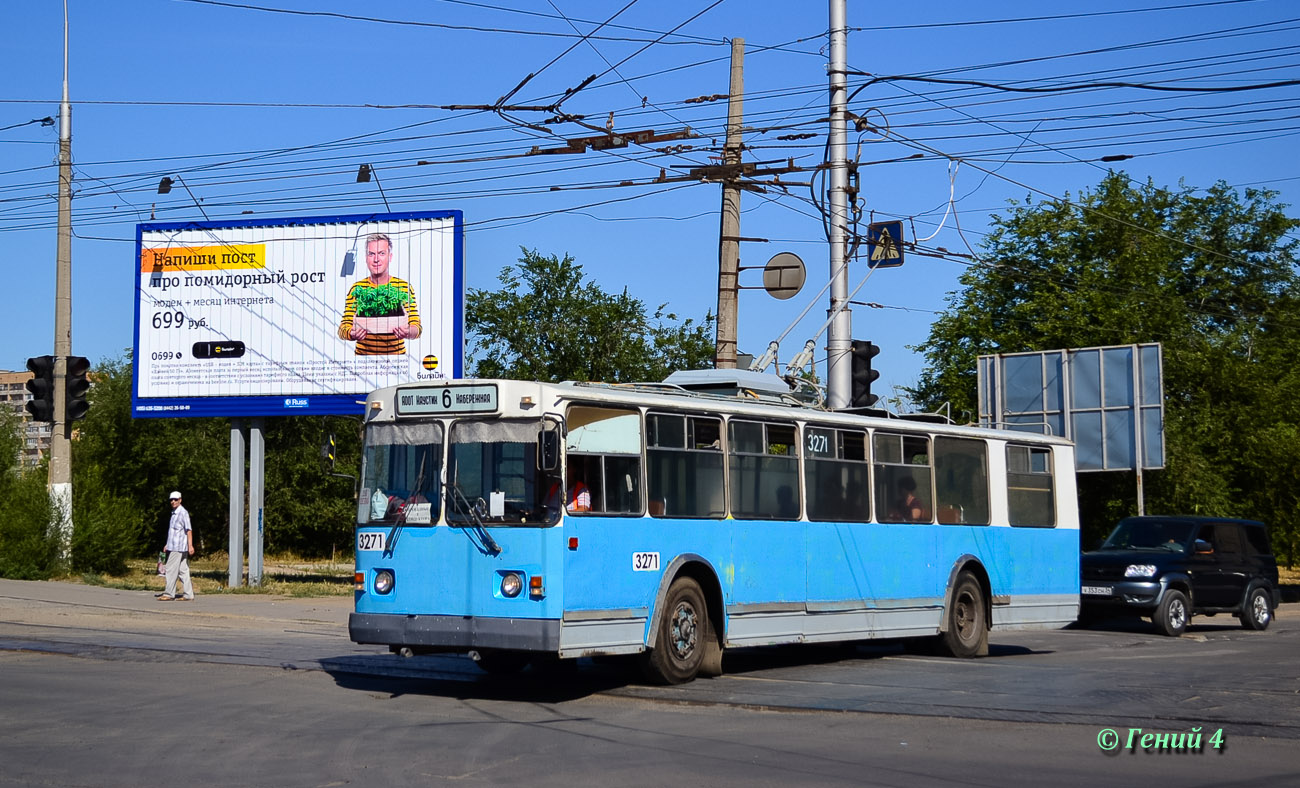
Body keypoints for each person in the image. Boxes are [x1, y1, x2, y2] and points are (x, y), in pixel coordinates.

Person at [337, 233, 422, 355]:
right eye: (371, 254)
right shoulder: (357, 288)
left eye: (382, 253)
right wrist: (351, 333)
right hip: (363, 360)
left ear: (390, 257)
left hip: (397, 359)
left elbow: (416, 327)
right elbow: (343, 327)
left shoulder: (403, 287)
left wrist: (408, 332)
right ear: (366, 258)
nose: (376, 259)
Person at [160, 491, 195, 602]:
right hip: (173, 545)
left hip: (178, 547)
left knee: (170, 569)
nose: (173, 502)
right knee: (183, 570)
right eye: (171, 500)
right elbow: (173, 532)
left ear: (180, 499)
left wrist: (190, 546)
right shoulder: (174, 513)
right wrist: (167, 544)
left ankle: (169, 593)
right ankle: (189, 594)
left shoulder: (182, 513)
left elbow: (188, 530)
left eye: (175, 499)